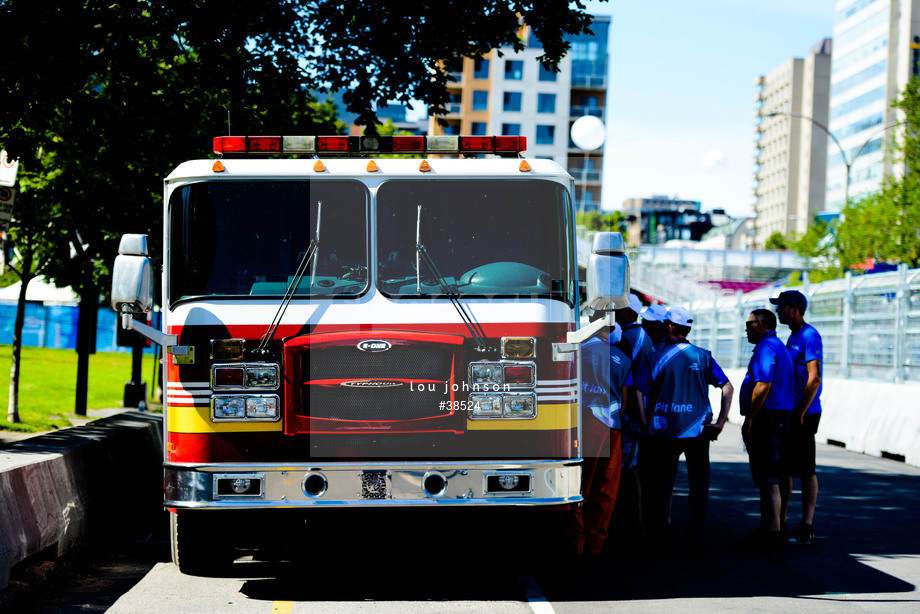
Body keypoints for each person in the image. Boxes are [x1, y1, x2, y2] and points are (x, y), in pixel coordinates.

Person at [634, 306, 734, 550]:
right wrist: (720, 422)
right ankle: (696, 531)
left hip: (664, 430)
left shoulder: (654, 356)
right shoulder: (703, 355)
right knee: (699, 483)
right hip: (698, 429)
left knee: (664, 483)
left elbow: (637, 391)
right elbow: (728, 387)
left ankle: (663, 527)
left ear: (669, 327)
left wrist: (645, 422)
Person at [564, 311, 631, 556]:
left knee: (579, 486)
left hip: (583, 423)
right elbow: (625, 401)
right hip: (612, 427)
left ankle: (574, 543)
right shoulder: (623, 358)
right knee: (606, 488)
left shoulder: (576, 349)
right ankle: (595, 543)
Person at [739, 308, 794, 552]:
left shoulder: (766, 347)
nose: (746, 328)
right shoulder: (778, 346)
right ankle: (773, 527)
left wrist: (750, 417)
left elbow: (762, 384)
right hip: (781, 416)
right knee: (774, 475)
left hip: (768, 417)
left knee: (768, 476)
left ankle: (772, 532)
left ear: (760, 323)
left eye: (749, 323)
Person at [771, 290, 823, 545]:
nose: (777, 311)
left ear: (794, 308)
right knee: (788, 469)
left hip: (805, 412)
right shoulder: (793, 335)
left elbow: (815, 378)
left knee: (806, 469)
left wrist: (801, 411)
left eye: (781, 306)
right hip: (792, 411)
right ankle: (782, 521)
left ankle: (807, 524)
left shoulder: (809, 335)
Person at [613, 294, 654, 543]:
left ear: (629, 311)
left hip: (631, 418)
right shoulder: (639, 335)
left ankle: (634, 526)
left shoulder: (630, 337)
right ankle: (634, 524)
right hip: (634, 415)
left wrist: (639, 421)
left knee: (629, 472)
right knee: (631, 471)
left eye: (618, 309)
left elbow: (632, 386)